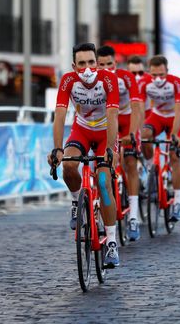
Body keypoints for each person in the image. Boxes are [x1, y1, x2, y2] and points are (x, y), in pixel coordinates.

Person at [47, 42, 120, 268]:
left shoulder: (108, 79)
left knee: (103, 180)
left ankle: (111, 243)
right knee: (69, 166)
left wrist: (110, 149)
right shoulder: (68, 81)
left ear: (97, 63)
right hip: (82, 130)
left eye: (91, 62)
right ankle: (77, 199)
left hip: (105, 133)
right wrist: (58, 148)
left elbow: (113, 115)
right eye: (82, 64)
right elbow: (59, 116)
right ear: (73, 66)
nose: (87, 68)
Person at [97, 45, 142, 241]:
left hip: (127, 119)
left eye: (110, 64)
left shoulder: (126, 77)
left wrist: (132, 133)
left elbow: (137, 106)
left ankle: (133, 216)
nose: (107, 68)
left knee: (130, 163)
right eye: (102, 65)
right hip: (108, 123)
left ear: (116, 63)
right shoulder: (94, 80)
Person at [140, 55, 180, 222]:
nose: (158, 79)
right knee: (142, 136)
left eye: (162, 75)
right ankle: (151, 167)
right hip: (157, 116)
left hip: (175, 118)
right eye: (154, 75)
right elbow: (138, 108)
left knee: (174, 156)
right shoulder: (144, 83)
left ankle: (178, 202)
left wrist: (174, 134)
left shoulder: (176, 82)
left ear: (168, 71)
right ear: (148, 73)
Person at [127, 56, 152, 120]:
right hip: (128, 114)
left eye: (140, 73)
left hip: (147, 113)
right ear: (127, 72)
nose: (137, 77)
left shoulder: (151, 80)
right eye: (134, 73)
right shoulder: (121, 81)